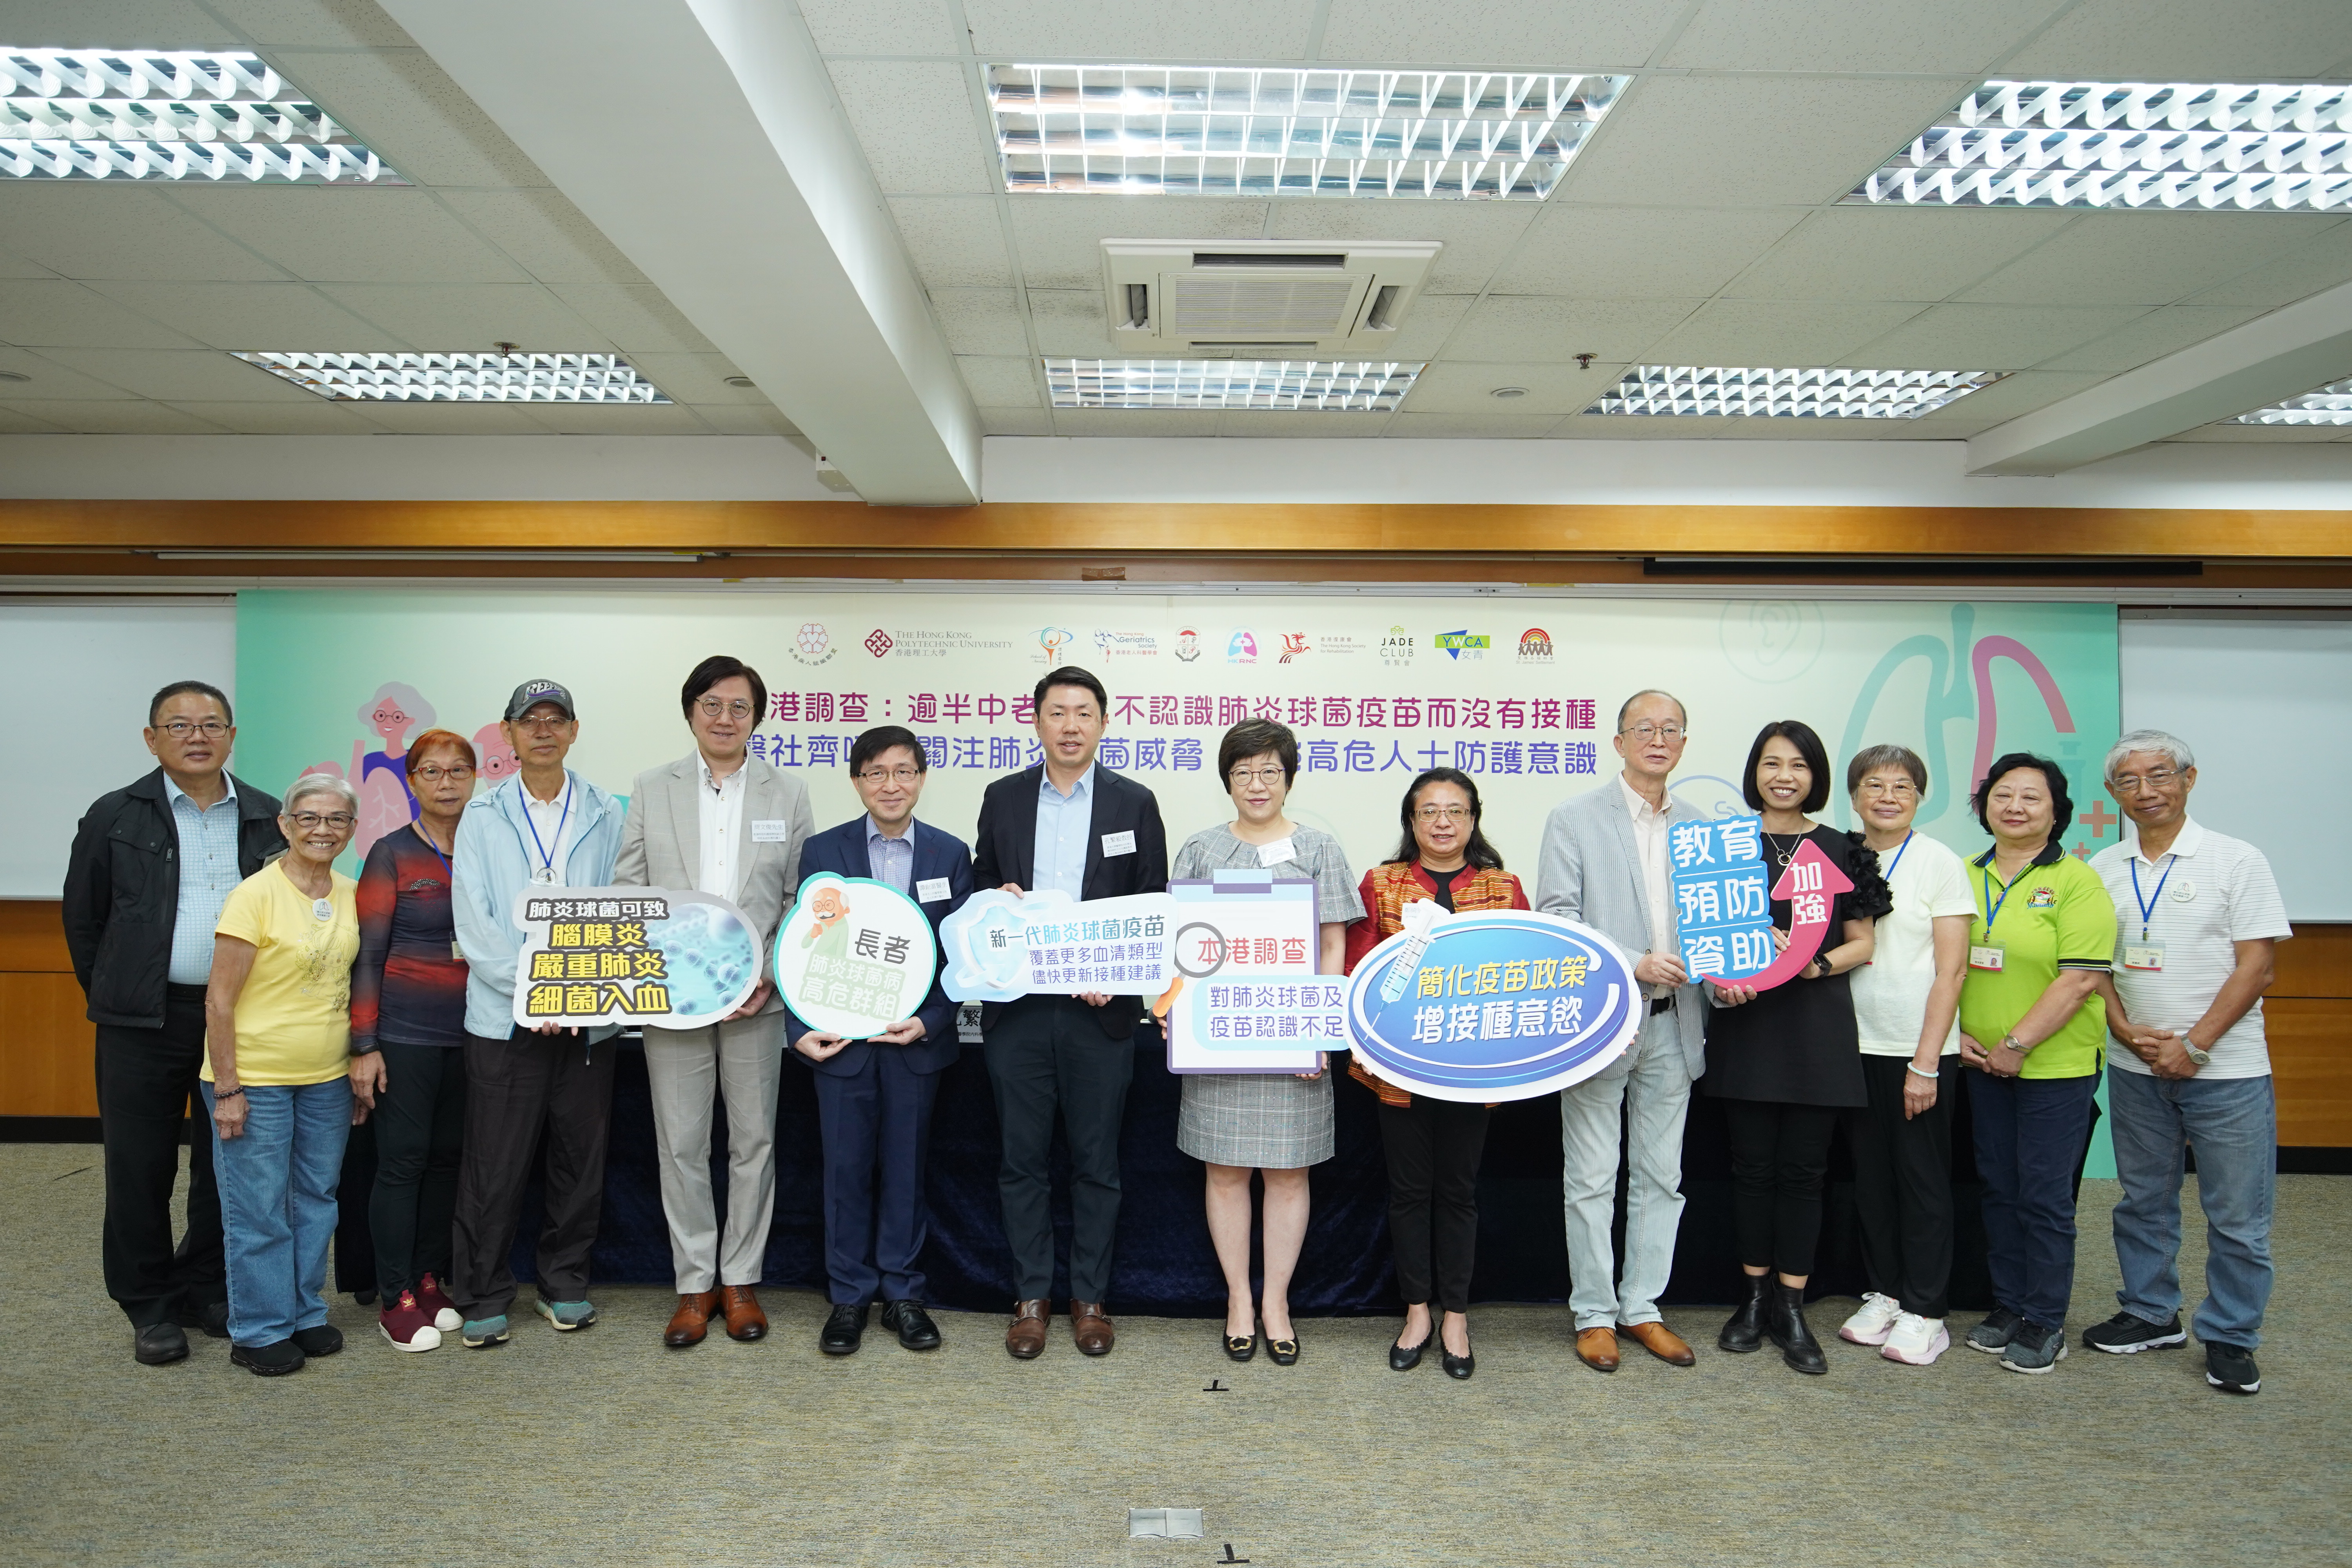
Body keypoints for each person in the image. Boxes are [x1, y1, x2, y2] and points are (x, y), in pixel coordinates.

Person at [62, 681, 287, 1366]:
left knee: (228, 1163)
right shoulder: (114, 816)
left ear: (232, 736)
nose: (197, 736)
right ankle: (149, 1304)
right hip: (142, 1021)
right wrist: (123, 991)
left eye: (212, 724)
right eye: (180, 725)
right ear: (151, 737)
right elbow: (85, 920)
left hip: (238, 1020)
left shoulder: (266, 815)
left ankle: (206, 1286)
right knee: (140, 1166)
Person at [614, 655, 812, 1349]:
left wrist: (767, 973)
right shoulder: (650, 787)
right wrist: (670, 977)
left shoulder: (787, 793)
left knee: (754, 1143)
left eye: (739, 707)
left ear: (756, 717)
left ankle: (741, 1281)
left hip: (758, 998)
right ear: (691, 711)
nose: (725, 718)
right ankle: (694, 1284)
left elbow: (799, 898)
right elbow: (630, 892)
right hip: (675, 1000)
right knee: (682, 1145)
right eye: (711, 705)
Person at [971, 665, 1168, 1359]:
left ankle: (1090, 1299)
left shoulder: (1133, 803)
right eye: (1058, 713)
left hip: (1101, 1016)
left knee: (1096, 1164)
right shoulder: (1003, 797)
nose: (1071, 726)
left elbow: (1153, 903)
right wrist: (999, 898)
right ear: (1037, 722)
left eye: (1085, 713)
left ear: (1104, 723)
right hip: (1019, 1011)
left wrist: (1113, 973)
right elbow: (977, 891)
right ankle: (1030, 1299)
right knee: (1021, 1162)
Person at [2085, 730, 2290, 1396]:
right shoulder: (2105, 868)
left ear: (2189, 779)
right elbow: (2093, 966)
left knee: (2237, 1216)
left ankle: (2231, 1336)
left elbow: (2257, 965)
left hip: (2226, 1071)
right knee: (2143, 1201)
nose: (2146, 791)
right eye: (2129, 782)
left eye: (2160, 776)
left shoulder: (2236, 860)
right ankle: (2150, 1313)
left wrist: (2195, 1044)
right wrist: (2121, 1028)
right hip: (2135, 1066)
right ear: (2113, 793)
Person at [1171, 720, 1361, 1367]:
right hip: (1220, 1041)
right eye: (1243, 773)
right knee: (1224, 1172)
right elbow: (1182, 949)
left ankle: (1276, 1301)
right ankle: (1238, 1301)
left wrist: (1319, 1028)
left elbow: (1333, 944)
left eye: (1270, 772)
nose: (1257, 785)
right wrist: (1176, 1010)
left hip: (1292, 1038)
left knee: (1288, 1172)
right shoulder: (1199, 850)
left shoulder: (1319, 849)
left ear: (1289, 778)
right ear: (1227, 780)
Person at [447, 679, 627, 1348]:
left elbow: (620, 908)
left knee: (579, 1159)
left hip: (588, 1022)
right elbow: (476, 921)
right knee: (494, 1163)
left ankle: (564, 1284)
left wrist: (573, 995)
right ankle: (484, 1291)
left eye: (557, 721)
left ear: (574, 732)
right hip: (503, 1020)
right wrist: (534, 993)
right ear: (510, 734)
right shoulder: (483, 814)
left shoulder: (607, 811)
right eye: (531, 722)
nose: (544, 731)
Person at [1704, 720, 1886, 1376]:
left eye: (1799, 766)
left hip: (1816, 1027)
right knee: (1751, 1169)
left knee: (1806, 1174)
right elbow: (1704, 937)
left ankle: (1792, 1305)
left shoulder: (1843, 847)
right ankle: (1752, 1301)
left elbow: (1863, 943)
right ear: (1754, 771)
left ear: (1816, 777)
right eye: (1773, 763)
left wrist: (1811, 964)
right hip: (1745, 1026)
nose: (1785, 776)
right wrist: (1727, 980)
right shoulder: (1723, 847)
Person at [1534, 690, 1708, 1376]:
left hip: (1678, 1020)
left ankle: (1642, 1307)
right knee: (1592, 1179)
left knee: (1662, 1178)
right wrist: (1630, 961)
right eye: (1644, 729)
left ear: (1684, 745)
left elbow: (1718, 926)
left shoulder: (1701, 828)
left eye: (1671, 729)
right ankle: (1594, 1315)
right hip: (1604, 1023)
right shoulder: (1573, 819)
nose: (1657, 739)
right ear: (1619, 741)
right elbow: (1557, 920)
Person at [785, 727, 973, 1356]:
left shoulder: (951, 854)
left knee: (906, 1172)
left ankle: (903, 1295)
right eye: (875, 773)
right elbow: (799, 947)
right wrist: (798, 1030)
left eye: (903, 771)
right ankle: (848, 1299)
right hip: (841, 1044)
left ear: (921, 777)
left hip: (915, 1043)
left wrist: (935, 1019)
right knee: (843, 1173)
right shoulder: (823, 851)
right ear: (857, 781)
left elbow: (960, 957)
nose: (890, 785)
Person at [1343, 768, 1529, 1381]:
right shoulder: (1383, 883)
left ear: (1474, 820)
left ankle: (1456, 1315)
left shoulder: (1504, 888)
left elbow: (1530, 970)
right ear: (1412, 821)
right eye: (1429, 812)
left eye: (1455, 811)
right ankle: (1417, 1310)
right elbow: (1357, 969)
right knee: (1408, 1194)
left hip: (1473, 1072)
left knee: (1459, 1194)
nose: (1443, 822)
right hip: (1399, 1070)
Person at [1955, 752, 2116, 1375]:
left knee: (2046, 1197)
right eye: (2003, 795)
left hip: (2057, 1067)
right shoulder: (1964, 873)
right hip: (1979, 1064)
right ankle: (2009, 1304)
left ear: (2057, 812)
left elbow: (2080, 980)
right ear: (1985, 805)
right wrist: (1959, 1036)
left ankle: (2046, 1319)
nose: (2014, 807)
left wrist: (2016, 1046)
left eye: (2031, 798)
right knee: (1999, 1188)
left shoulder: (2077, 880)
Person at [199, 773, 363, 1376]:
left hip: (325, 1077)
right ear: (286, 825)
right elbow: (219, 1002)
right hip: (255, 1078)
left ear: (352, 828)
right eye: (310, 818)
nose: (323, 830)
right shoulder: (254, 896)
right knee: (259, 1209)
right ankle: (258, 1328)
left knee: (316, 1201)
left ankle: (303, 1313)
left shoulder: (350, 891)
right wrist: (229, 1086)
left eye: (337, 820)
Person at [1837, 744, 1975, 1365]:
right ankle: (1886, 1293)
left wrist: (1926, 1063)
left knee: (1921, 1182)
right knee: (1872, 1179)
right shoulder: (1841, 855)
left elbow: (1951, 972)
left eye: (1901, 787)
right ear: (1855, 795)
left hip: (1916, 1049)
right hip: (1850, 1043)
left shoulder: (1940, 863)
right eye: (1874, 785)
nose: (1887, 796)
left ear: (1919, 798)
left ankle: (1926, 1310)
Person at [347, 729, 478, 1352]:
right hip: (403, 1034)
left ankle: (428, 1280)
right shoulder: (390, 853)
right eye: (432, 771)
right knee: (402, 1163)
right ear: (413, 781)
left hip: (475, 1031)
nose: (446, 782)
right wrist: (365, 1044)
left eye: (458, 771)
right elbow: (367, 956)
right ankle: (395, 1294)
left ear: (476, 779)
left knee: (448, 1159)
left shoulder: (485, 847)